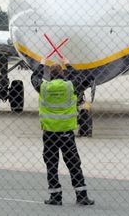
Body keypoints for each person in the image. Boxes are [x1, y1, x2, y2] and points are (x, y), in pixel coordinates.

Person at [31, 56, 95, 206]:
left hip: (49, 133)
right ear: (63, 74)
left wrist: (41, 65)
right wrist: (68, 65)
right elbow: (80, 78)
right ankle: (82, 196)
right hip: (66, 133)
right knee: (73, 164)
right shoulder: (70, 87)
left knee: (51, 165)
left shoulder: (44, 88)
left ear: (50, 75)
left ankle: (55, 197)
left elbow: (34, 78)